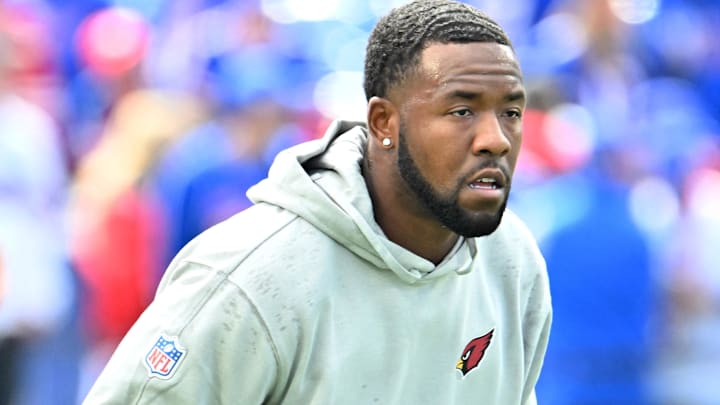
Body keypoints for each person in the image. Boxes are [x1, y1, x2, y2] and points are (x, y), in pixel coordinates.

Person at [83, 1, 552, 404]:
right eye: (461, 110)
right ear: (384, 123)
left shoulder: (511, 257)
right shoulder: (248, 279)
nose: (496, 139)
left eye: (511, 112)